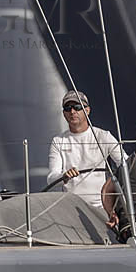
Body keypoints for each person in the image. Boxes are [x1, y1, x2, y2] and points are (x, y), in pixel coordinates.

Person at [47, 91, 125, 222]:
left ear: (87, 110)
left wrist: (113, 197)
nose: (72, 112)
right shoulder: (58, 141)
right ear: (64, 113)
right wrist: (64, 176)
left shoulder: (103, 136)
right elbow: (51, 179)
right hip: (70, 209)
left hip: (101, 208)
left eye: (77, 107)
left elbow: (125, 164)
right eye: (68, 108)